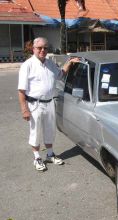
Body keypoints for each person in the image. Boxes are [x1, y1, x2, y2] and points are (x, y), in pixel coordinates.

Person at [18, 37, 80, 171]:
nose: (42, 50)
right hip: (34, 104)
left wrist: (69, 62)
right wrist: (24, 109)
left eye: (45, 48)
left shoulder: (50, 63)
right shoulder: (27, 65)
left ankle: (50, 154)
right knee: (35, 132)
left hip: (50, 103)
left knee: (50, 130)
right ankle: (37, 158)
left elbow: (60, 74)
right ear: (33, 49)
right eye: (39, 48)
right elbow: (21, 90)